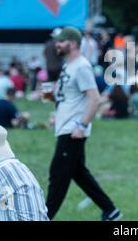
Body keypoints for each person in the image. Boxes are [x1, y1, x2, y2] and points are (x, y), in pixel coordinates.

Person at [45, 27, 122, 221]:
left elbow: (94, 99)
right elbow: (70, 96)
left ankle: (43, 217)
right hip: (65, 126)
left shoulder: (81, 66)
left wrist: (81, 125)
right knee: (78, 173)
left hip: (73, 130)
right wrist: (56, 113)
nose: (57, 45)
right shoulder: (68, 65)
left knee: (58, 176)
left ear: (71, 43)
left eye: (60, 41)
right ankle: (111, 211)